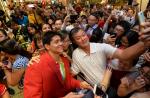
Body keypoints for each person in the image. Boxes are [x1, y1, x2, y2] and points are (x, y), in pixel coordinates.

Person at [69, 26, 149, 96]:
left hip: (106, 87)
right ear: (74, 41)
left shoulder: (102, 47)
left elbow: (123, 55)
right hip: (91, 89)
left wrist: (144, 42)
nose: (83, 39)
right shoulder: (76, 54)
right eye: (78, 38)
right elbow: (74, 73)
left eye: (83, 35)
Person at [24, 31, 92, 98]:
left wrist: (79, 83)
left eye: (61, 41)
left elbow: (67, 81)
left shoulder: (64, 59)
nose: (61, 43)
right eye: (56, 42)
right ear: (47, 46)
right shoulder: (36, 65)